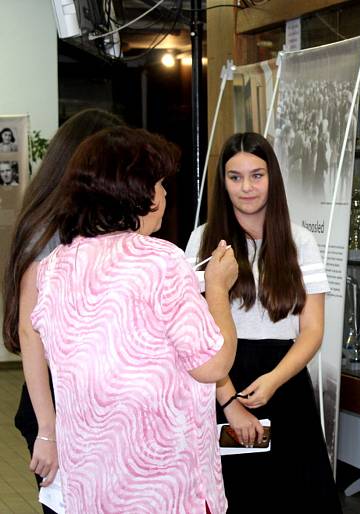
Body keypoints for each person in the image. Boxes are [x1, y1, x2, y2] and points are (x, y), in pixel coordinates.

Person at [29, 126, 239, 513]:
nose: (163, 194)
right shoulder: (161, 261)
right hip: (167, 487)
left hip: (92, 484)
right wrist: (218, 290)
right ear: (136, 192)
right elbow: (214, 364)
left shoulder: (54, 268)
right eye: (158, 183)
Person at [185, 132, 341, 513]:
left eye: (257, 175)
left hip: (285, 383)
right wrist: (230, 403)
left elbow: (313, 330)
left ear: (272, 178)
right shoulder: (203, 241)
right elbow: (193, 336)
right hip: (223, 383)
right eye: (235, 177)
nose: (247, 187)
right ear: (222, 183)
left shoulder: (299, 242)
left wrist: (273, 380)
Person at [2, 109, 123, 514]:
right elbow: (31, 332)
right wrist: (49, 431)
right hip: (53, 399)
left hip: (81, 395)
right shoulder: (49, 231)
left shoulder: (87, 222)